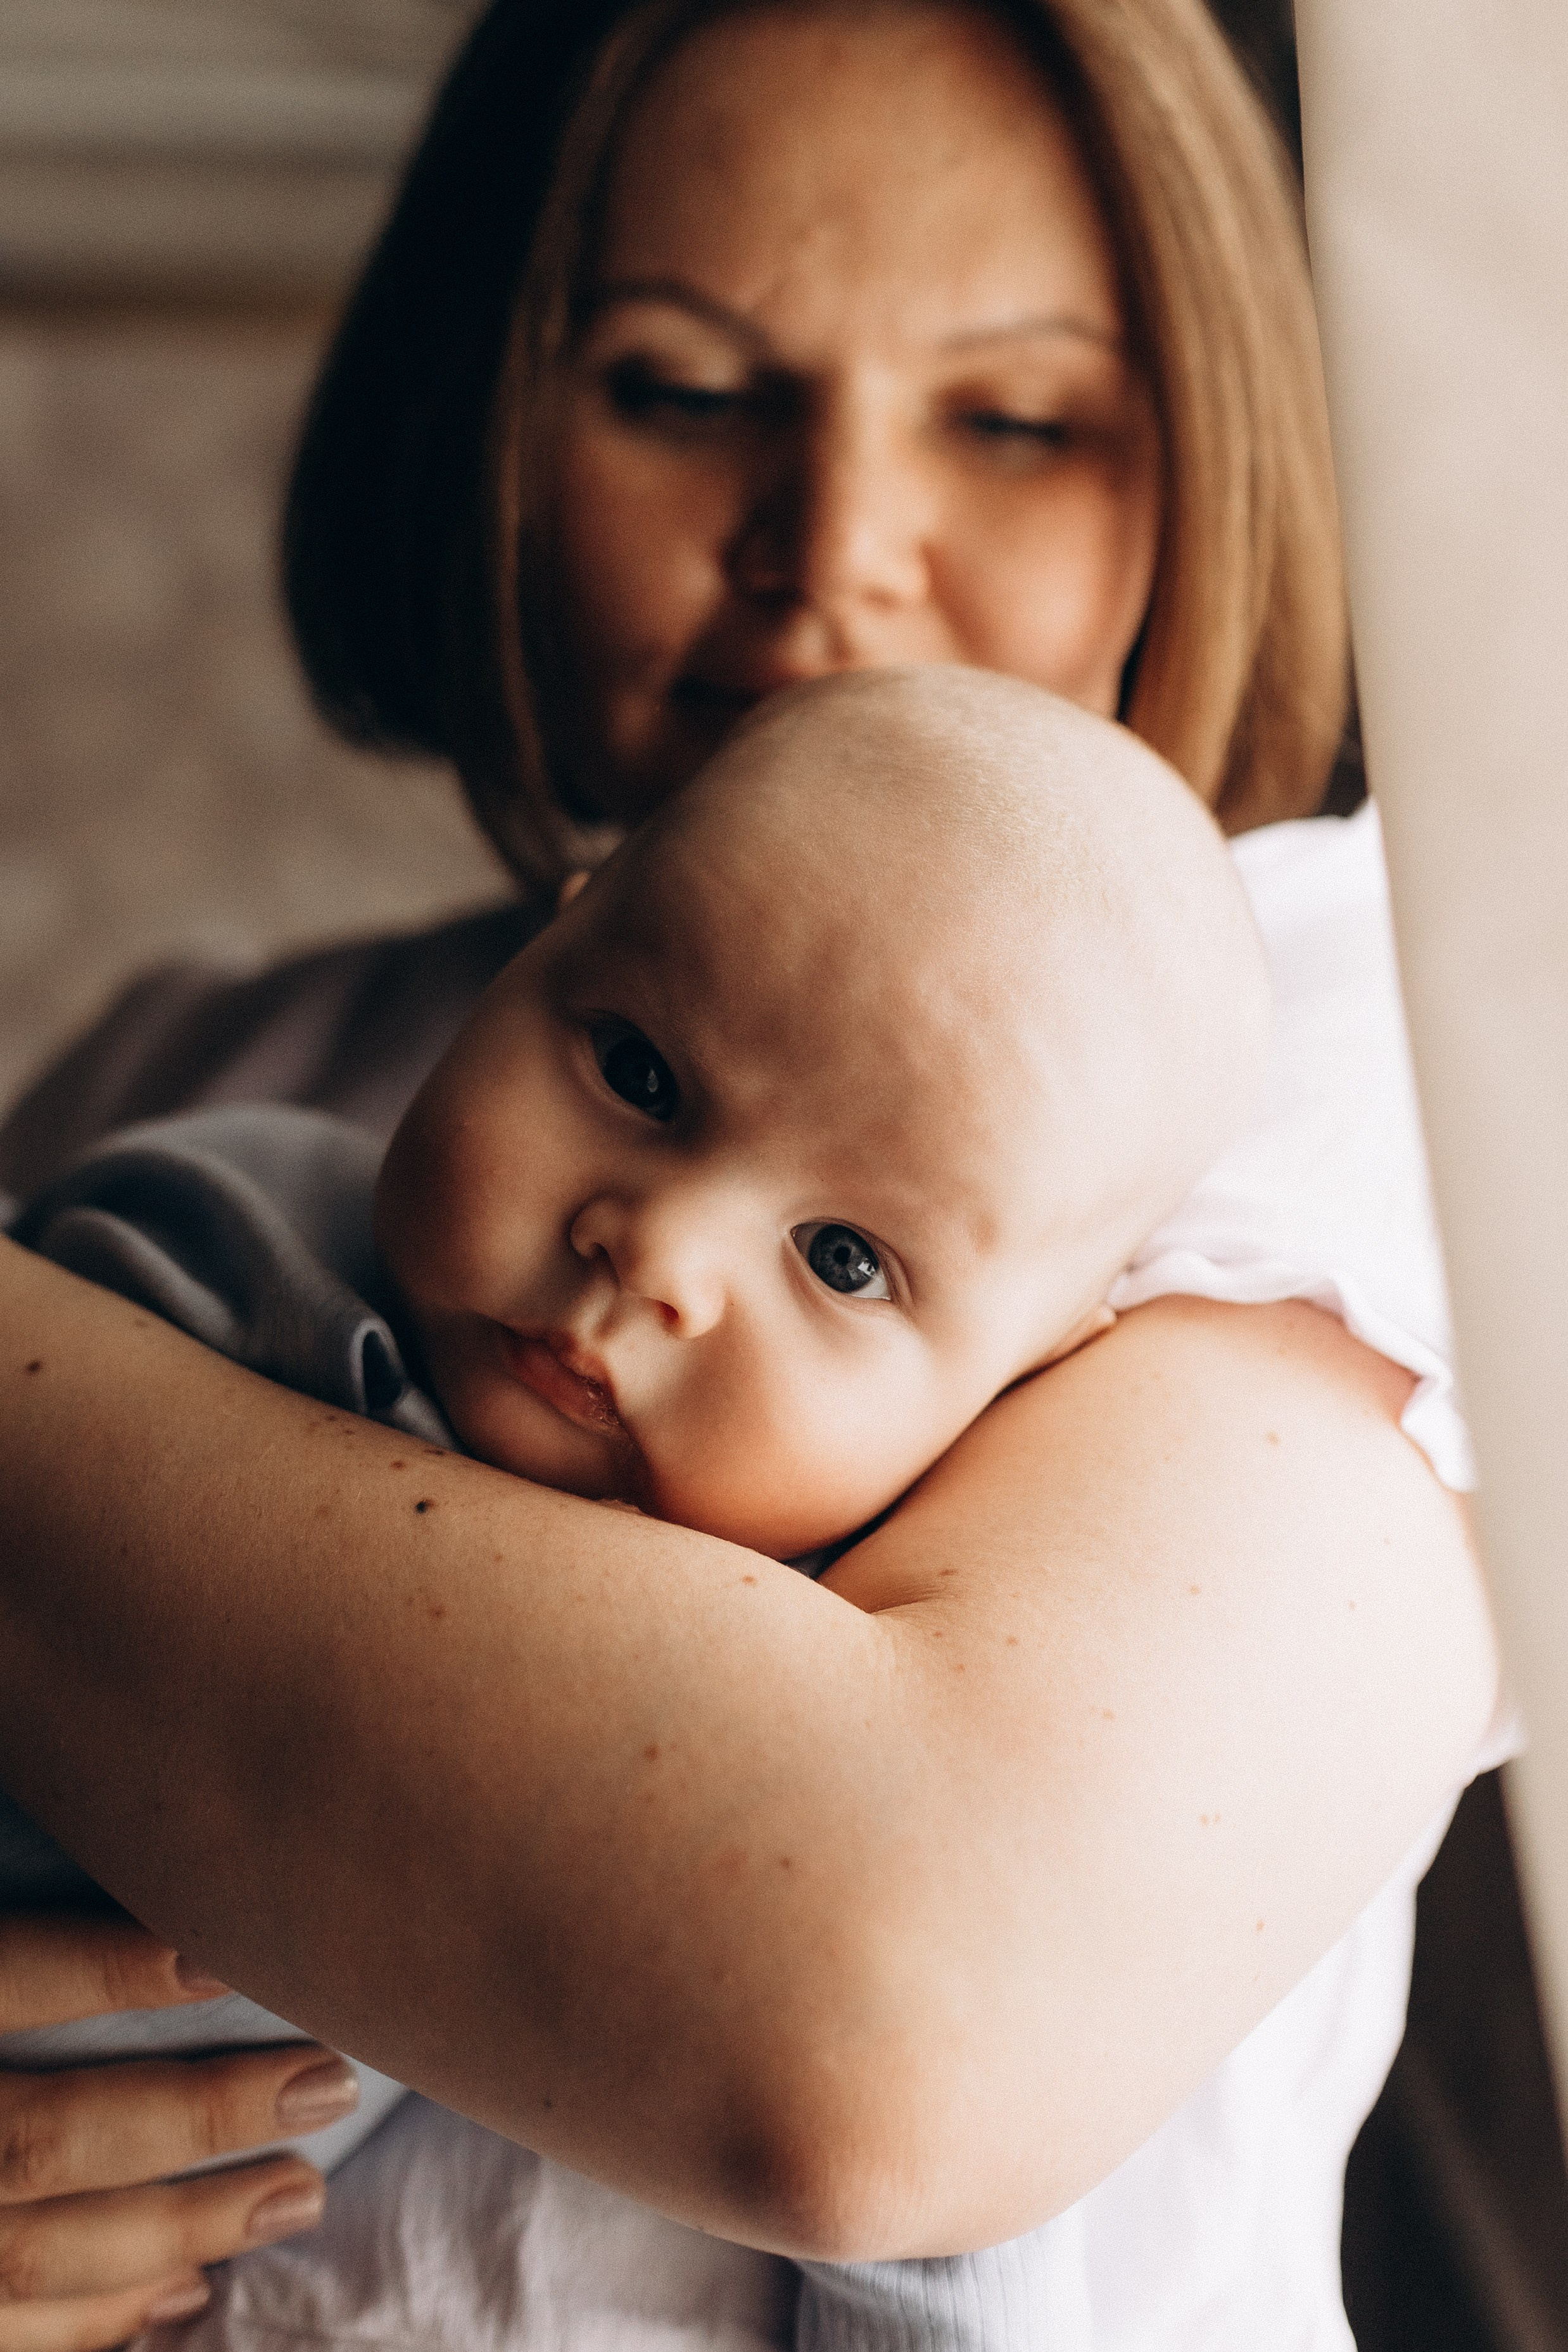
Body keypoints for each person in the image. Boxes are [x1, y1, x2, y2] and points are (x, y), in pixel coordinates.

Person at [0, 3, 1500, 2348]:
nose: (835, 559)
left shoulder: (1331, 1035)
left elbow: (888, 2017)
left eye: (1013, 422)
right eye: (690, 392)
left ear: (1207, 457)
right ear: (490, 410)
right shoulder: (189, 1069)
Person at [9, 668, 1272, 2351]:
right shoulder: (195, 1235)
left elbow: (938, 2240)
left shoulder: (828, 1681)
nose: (660, 1252)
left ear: (1025, 1370)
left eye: (843, 1258)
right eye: (638, 1070)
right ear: (551, 938)